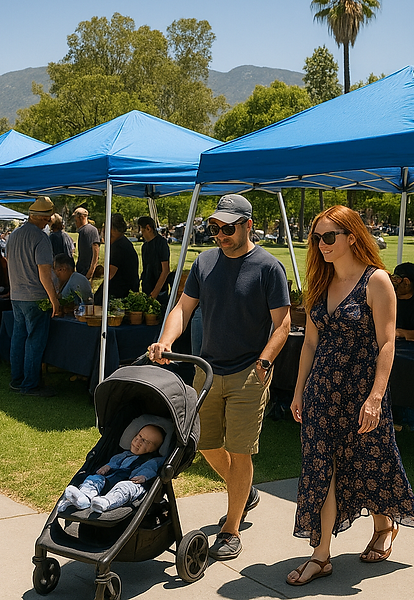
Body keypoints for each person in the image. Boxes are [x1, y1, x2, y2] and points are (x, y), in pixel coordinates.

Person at [149, 194, 292, 561]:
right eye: (215, 228)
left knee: (240, 451)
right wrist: (165, 340)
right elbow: (183, 307)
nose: (220, 235)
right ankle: (242, 490)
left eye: (228, 228)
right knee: (206, 445)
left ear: (247, 225)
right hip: (207, 371)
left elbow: (284, 324)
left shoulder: (268, 267)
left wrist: (264, 361)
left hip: (249, 372)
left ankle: (231, 528)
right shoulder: (205, 262)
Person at [287, 205, 414, 586]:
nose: (322, 244)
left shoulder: (377, 280)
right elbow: (310, 343)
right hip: (320, 392)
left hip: (361, 390)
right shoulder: (320, 282)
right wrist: (299, 390)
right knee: (321, 469)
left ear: (352, 236)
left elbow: (387, 342)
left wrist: (376, 396)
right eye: (317, 238)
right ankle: (321, 555)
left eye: (329, 237)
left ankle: (384, 526)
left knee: (371, 459)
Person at [7, 196, 60, 397]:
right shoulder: (40, 238)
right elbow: (44, 273)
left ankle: (17, 379)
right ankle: (30, 384)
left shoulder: (14, 235)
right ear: (44, 218)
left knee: (18, 338)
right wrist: (54, 299)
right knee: (34, 341)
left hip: (17, 294)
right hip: (35, 296)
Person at [57, 423, 166, 514]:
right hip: (110, 480)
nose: (138, 442)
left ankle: (106, 502)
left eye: (146, 442)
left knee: (124, 487)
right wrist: (107, 466)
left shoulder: (153, 460)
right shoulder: (124, 455)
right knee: (94, 478)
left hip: (133, 484)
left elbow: (152, 468)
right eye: (139, 436)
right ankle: (84, 498)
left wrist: (144, 477)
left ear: (155, 448)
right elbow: (114, 462)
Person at [96, 213, 139, 302]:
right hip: (127, 289)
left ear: (112, 229)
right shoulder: (124, 242)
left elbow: (110, 273)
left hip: (120, 293)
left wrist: (99, 272)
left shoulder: (118, 246)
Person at [138, 216, 171, 302]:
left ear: (148, 228)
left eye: (142, 229)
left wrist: (155, 293)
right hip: (147, 289)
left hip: (160, 292)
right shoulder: (145, 246)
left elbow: (165, 270)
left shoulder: (161, 243)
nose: (141, 233)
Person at [73, 206, 100, 280]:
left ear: (82, 217)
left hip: (86, 270)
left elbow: (95, 250)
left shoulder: (91, 230)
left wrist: (91, 271)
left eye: (76, 220)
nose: (75, 223)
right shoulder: (82, 231)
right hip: (81, 269)